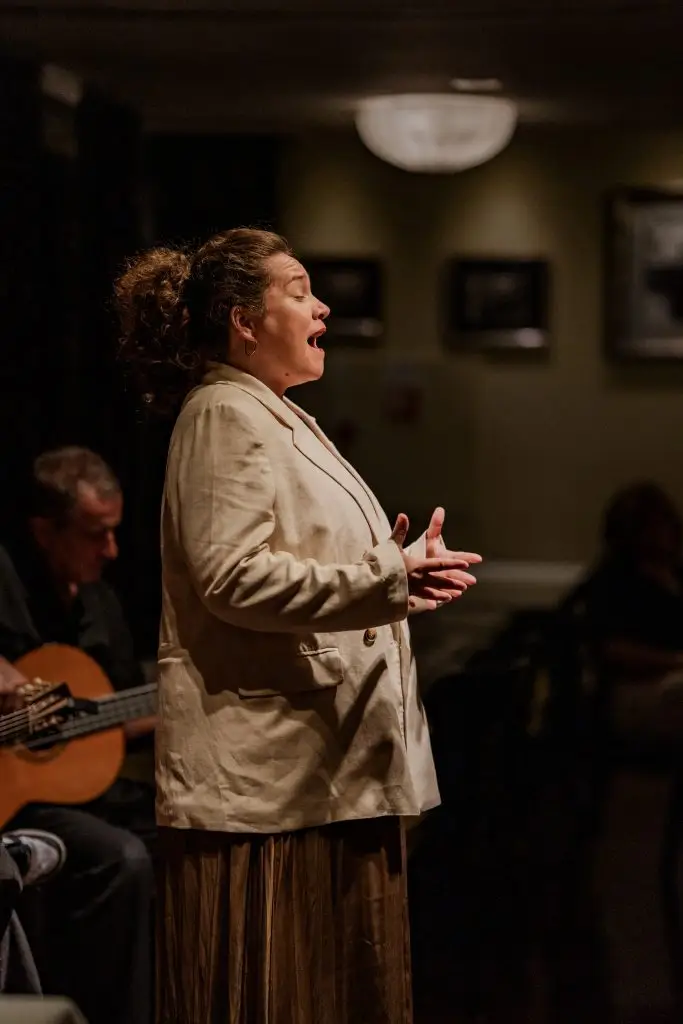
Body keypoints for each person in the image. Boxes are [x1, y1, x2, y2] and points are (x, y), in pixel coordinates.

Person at [114, 226, 482, 1024]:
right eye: (298, 291)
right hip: (271, 782)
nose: (320, 308)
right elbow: (229, 576)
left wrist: (396, 572)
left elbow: (300, 564)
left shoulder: (271, 412)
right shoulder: (223, 413)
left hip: (318, 771)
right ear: (243, 320)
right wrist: (382, 578)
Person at [0, 447, 155, 1024]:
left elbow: (116, 712)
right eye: (95, 535)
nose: (111, 551)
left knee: (189, 828)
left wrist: (181, 706)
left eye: (114, 533)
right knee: (123, 858)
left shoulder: (99, 599)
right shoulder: (4, 578)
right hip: (17, 799)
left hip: (84, 790)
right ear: (44, 530)